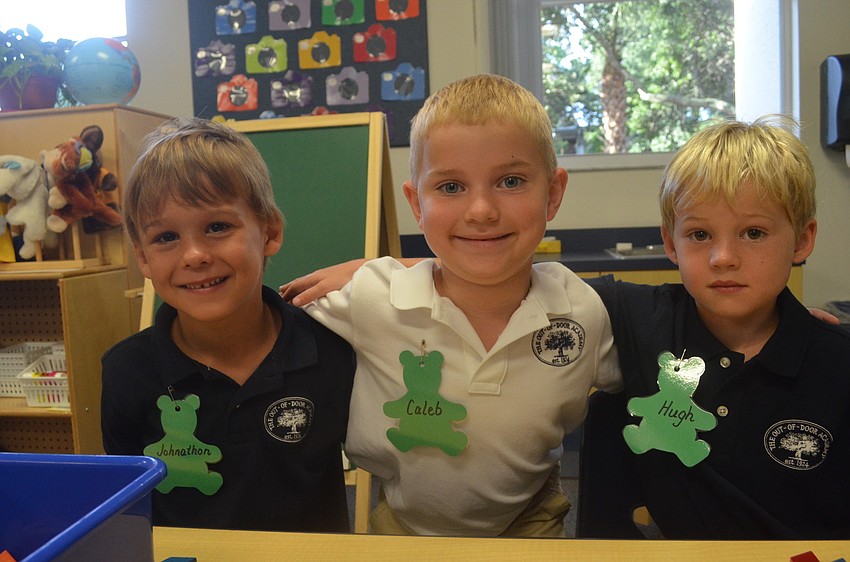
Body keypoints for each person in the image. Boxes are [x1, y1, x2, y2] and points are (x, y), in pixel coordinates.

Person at [282, 74, 622, 537]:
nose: (481, 210)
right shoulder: (370, 296)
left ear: (554, 194)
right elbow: (260, 315)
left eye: (510, 180)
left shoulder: (582, 311)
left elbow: (647, 369)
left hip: (531, 521)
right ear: (415, 204)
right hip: (404, 526)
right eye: (450, 188)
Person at [577, 115, 850, 539]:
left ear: (801, 240)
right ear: (671, 243)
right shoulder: (638, 317)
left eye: (753, 232)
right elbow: (522, 291)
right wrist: (433, 273)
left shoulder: (838, 364)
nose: (723, 257)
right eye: (700, 234)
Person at [100, 117, 356, 532]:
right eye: (166, 237)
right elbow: (127, 515)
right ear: (143, 258)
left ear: (270, 232)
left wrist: (383, 270)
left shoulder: (330, 346)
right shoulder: (127, 372)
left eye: (217, 227)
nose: (195, 255)